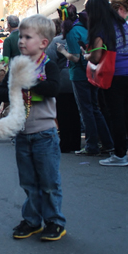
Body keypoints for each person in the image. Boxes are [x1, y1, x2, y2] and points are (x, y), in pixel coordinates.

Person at [0, 15, 65, 241]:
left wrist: (29, 82)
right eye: (20, 37)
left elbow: (54, 88)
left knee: (48, 181)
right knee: (28, 181)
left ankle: (54, 221)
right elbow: (0, 92)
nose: (21, 41)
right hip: (22, 134)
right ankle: (32, 220)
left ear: (44, 43)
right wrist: (14, 84)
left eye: (27, 37)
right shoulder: (16, 66)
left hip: (44, 133)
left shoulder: (49, 65)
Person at [85, 0, 128, 166]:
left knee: (116, 114)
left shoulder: (100, 28)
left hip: (114, 74)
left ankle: (120, 155)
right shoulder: (122, 23)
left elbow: (96, 57)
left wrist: (86, 56)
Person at [57, 12, 114, 156]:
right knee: (95, 109)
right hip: (92, 71)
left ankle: (92, 145)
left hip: (79, 74)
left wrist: (62, 51)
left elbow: (75, 58)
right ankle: (107, 143)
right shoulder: (87, 29)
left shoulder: (72, 32)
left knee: (86, 111)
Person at [47, 13, 81, 153]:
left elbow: (49, 62)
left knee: (63, 113)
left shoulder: (54, 42)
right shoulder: (75, 38)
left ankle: (66, 143)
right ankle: (76, 142)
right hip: (77, 78)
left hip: (61, 81)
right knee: (75, 113)